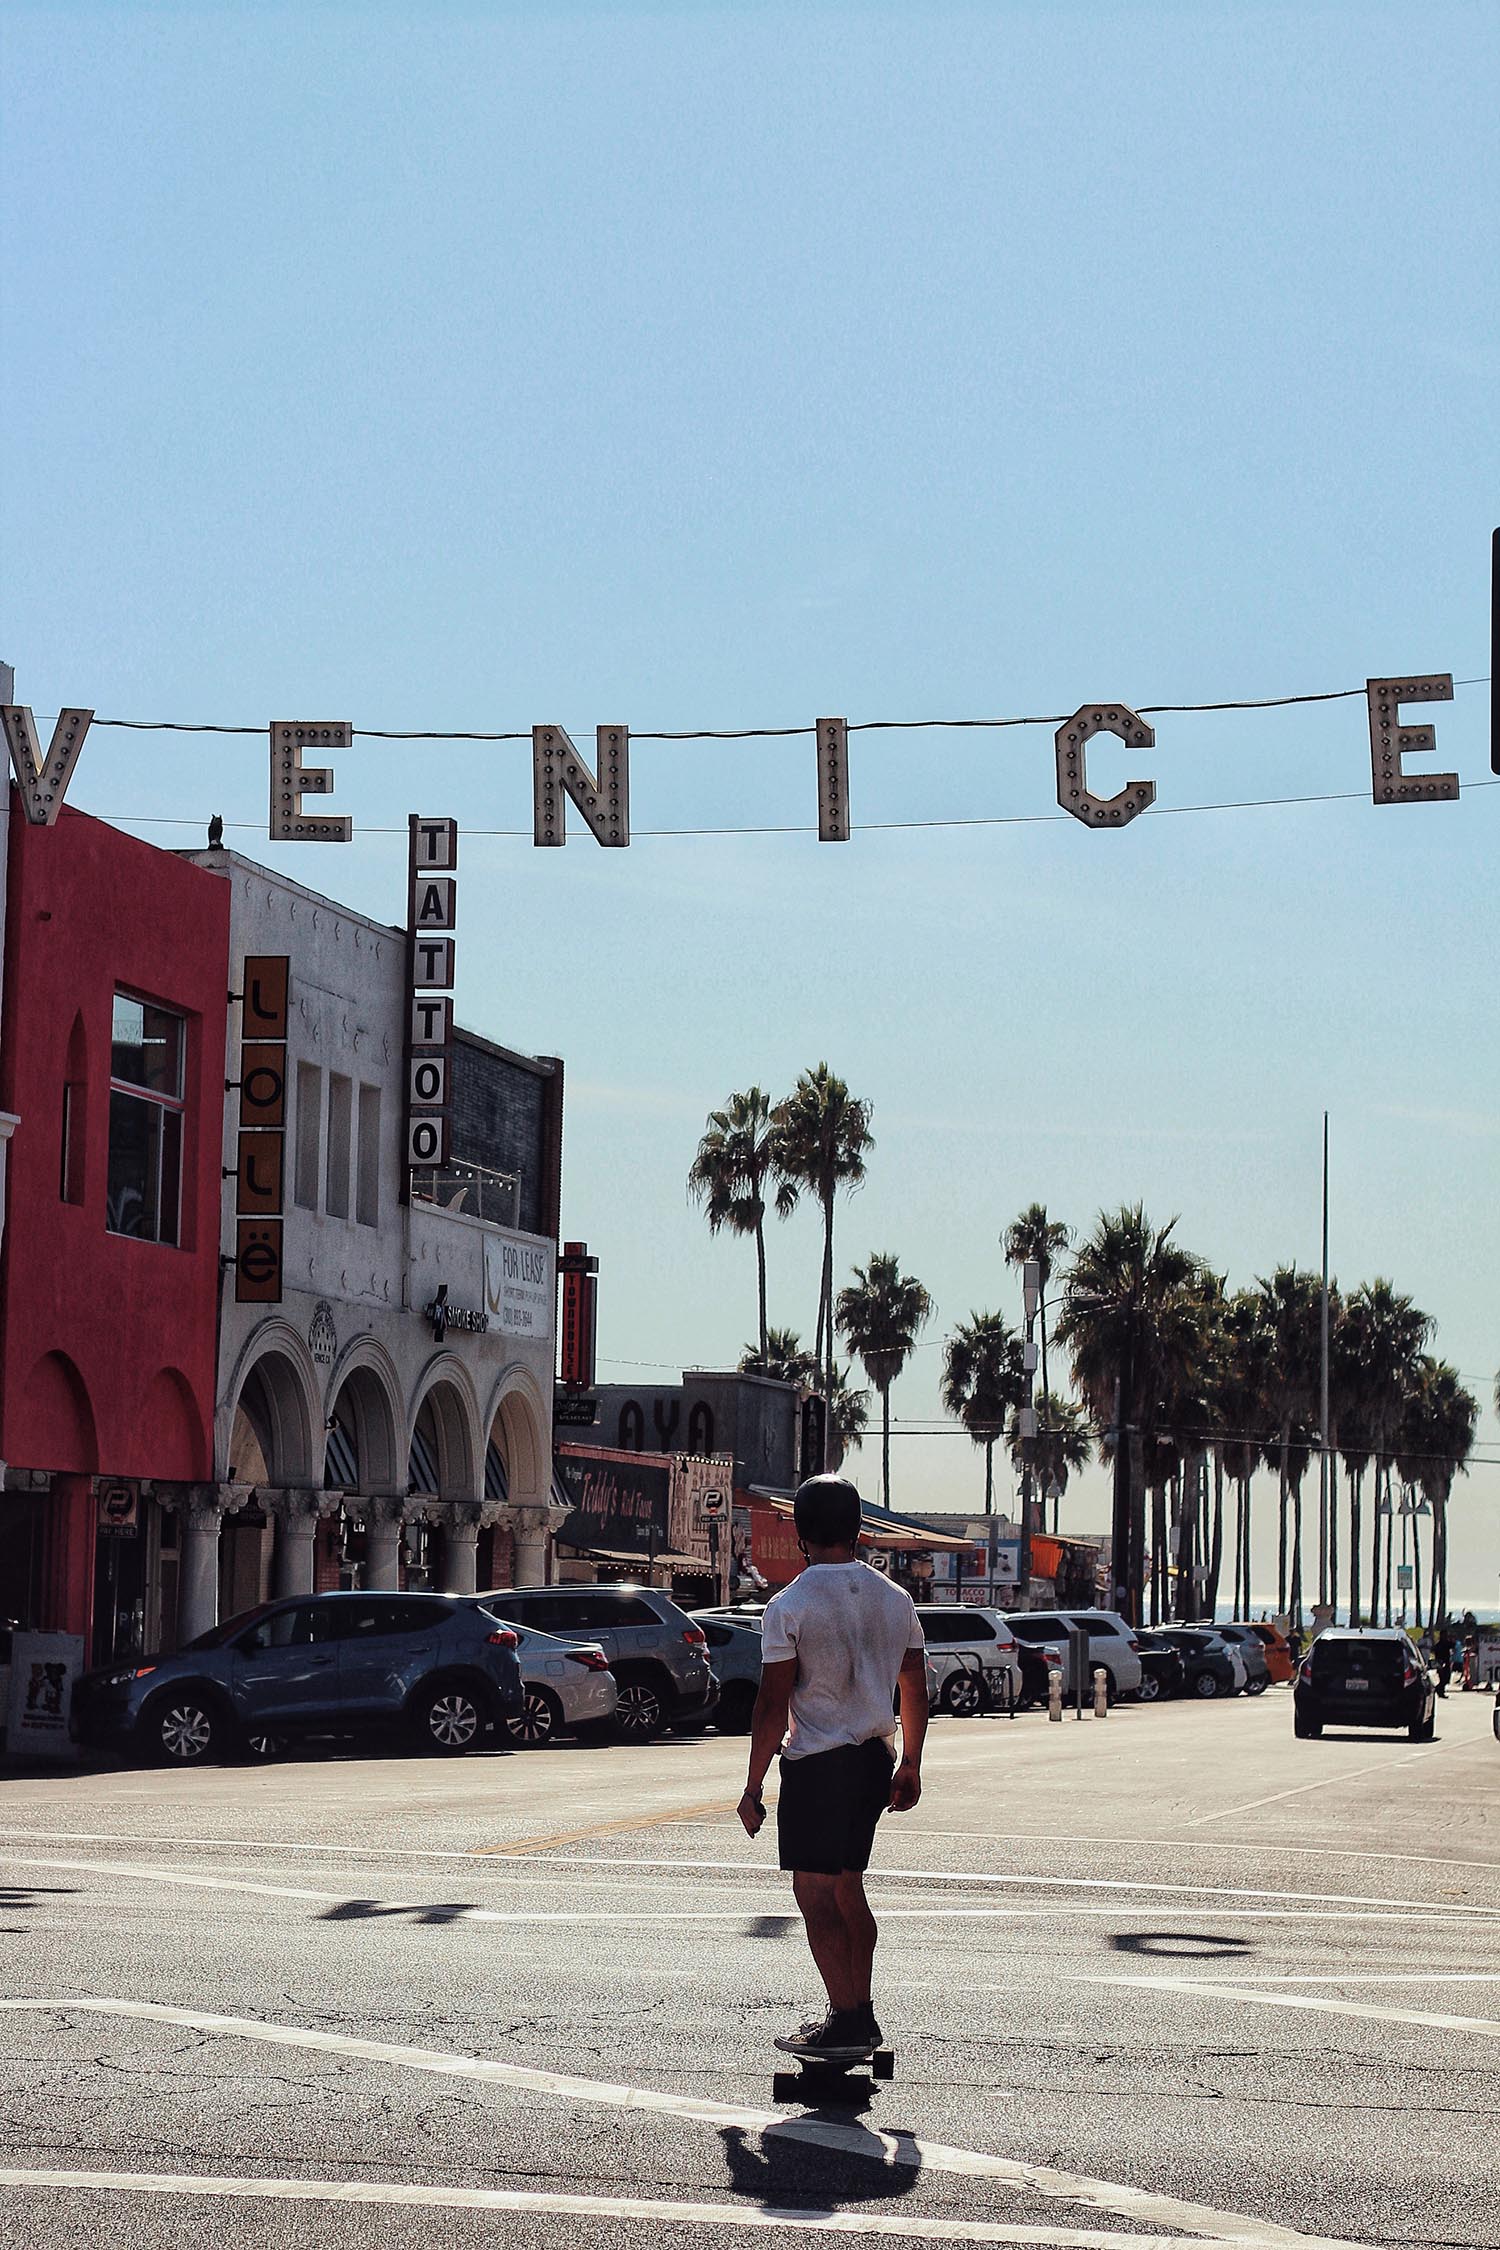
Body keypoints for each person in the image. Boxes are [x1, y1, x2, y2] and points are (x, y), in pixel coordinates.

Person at [737, 1473, 928, 2062]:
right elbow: (915, 1686)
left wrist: (752, 1784)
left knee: (814, 1893)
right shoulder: (895, 1599)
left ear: (799, 1533)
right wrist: (912, 1764)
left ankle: (846, 2019)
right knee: (848, 1886)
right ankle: (859, 2013)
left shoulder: (788, 1604)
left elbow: (772, 1703)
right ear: (859, 1530)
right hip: (875, 1758)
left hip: (818, 1763)